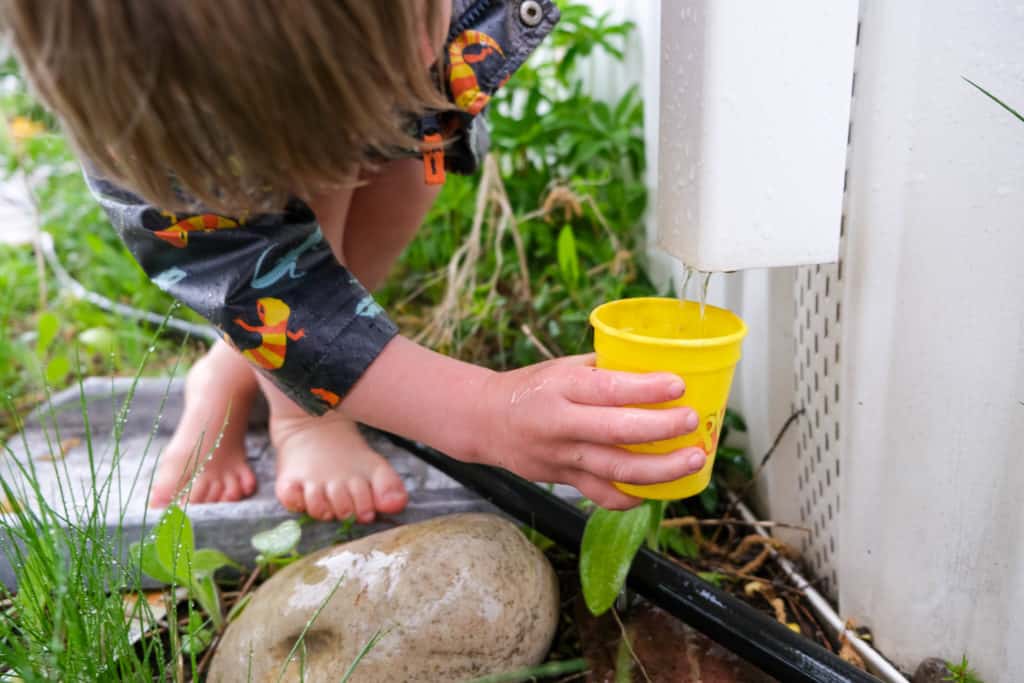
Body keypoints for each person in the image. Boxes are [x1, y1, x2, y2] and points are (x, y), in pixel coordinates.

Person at [1, 0, 708, 520]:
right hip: (247, 105)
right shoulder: (149, 113)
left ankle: (236, 367)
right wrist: (493, 413)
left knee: (399, 146)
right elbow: (269, 287)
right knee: (286, 268)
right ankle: (304, 415)